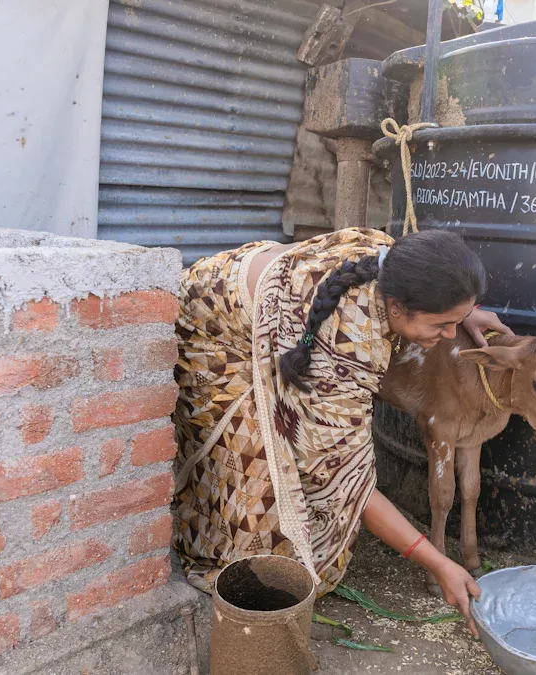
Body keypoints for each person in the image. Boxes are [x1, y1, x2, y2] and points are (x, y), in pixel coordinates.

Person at [172, 227, 512, 636]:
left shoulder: (394, 263)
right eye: (442, 325)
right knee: (262, 475)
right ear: (397, 308)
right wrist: (438, 563)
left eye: (456, 322)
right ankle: (220, 555)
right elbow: (348, 481)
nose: (450, 336)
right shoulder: (341, 350)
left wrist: (460, 310)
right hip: (213, 328)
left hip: (260, 301)